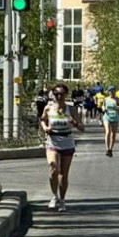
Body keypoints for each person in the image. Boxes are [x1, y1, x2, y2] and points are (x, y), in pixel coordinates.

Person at [39, 83, 84, 212]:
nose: (59, 96)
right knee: (53, 168)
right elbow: (42, 119)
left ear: (66, 95)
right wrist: (45, 127)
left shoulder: (71, 109)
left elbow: (82, 128)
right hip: (53, 141)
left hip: (67, 142)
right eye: (56, 94)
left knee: (63, 175)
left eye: (61, 94)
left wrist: (73, 122)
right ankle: (54, 196)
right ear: (53, 95)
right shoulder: (49, 108)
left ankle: (62, 201)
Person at [101, 89, 119, 157]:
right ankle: (107, 149)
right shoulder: (106, 99)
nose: (112, 93)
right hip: (107, 117)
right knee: (108, 132)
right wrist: (103, 108)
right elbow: (103, 106)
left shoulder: (117, 99)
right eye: (110, 91)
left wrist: (117, 107)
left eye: (113, 91)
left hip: (115, 117)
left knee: (113, 134)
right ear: (108, 92)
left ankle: (110, 149)